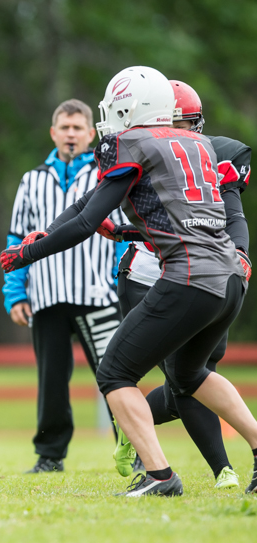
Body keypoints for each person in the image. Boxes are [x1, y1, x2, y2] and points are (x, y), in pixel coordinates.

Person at [1, 65, 257, 496]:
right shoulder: (199, 144)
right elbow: (188, 219)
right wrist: (122, 232)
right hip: (232, 277)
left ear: (131, 107)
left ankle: (160, 476)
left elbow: (86, 218)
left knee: (114, 372)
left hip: (189, 277)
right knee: (191, 372)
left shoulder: (132, 142)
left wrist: (28, 252)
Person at [99, 80, 251, 489]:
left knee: (179, 374)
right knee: (182, 374)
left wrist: (241, 252)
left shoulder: (211, 153)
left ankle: (165, 467)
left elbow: (226, 215)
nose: (175, 130)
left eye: (182, 123)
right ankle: (218, 469)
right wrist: (125, 233)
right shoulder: (135, 147)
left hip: (196, 273)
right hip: (152, 271)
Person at [4, 99, 127, 473]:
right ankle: (50, 455)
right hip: (47, 294)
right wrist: (15, 292)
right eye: (65, 127)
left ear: (91, 134)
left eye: (78, 128)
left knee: (115, 375)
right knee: (52, 380)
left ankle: (136, 446)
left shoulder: (108, 176)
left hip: (98, 295)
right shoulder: (31, 180)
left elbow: (123, 233)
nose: (71, 134)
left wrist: (118, 279)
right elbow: (16, 238)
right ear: (53, 132)